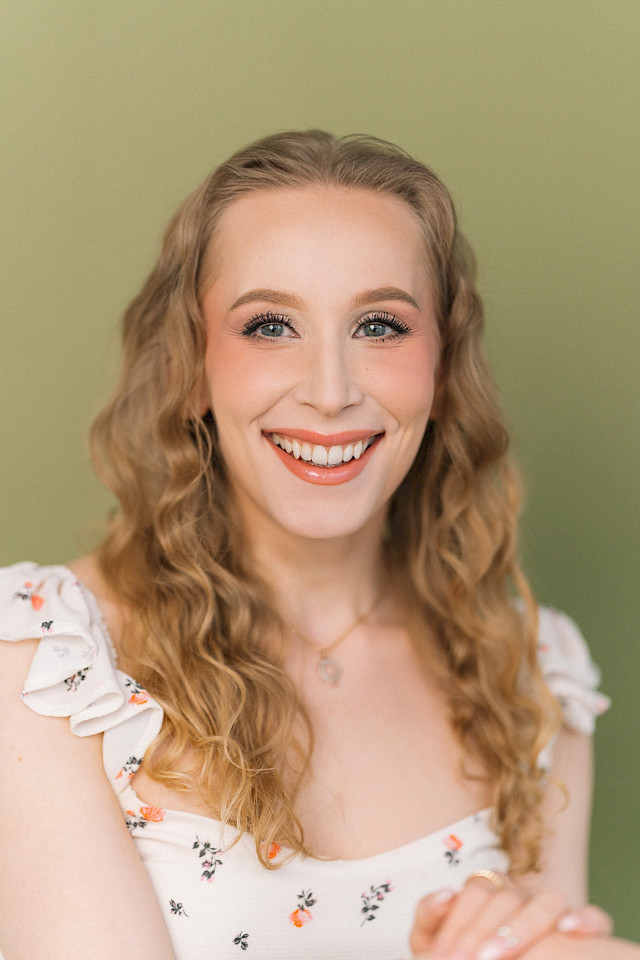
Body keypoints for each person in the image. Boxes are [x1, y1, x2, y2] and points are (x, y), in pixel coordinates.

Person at [0, 130, 636, 960]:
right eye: (269, 326)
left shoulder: (532, 678)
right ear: (191, 366)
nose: (330, 392)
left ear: (442, 369)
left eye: (380, 325)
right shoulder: (47, 667)